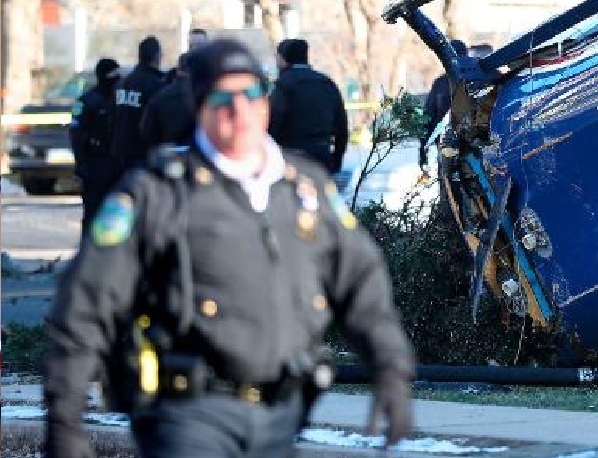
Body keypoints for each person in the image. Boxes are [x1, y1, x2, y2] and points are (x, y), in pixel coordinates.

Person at [43, 38, 414, 458]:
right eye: (223, 98)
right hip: (188, 415)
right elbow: (85, 304)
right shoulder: (159, 193)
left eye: (251, 94)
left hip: (282, 414)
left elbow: (361, 281)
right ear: (199, 106)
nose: (240, 111)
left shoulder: (302, 188)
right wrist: (64, 422)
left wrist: (390, 369)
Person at [268, 39, 349, 174]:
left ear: (283, 59)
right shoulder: (326, 83)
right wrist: (336, 159)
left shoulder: (283, 85)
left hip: (291, 157)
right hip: (322, 155)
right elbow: (341, 126)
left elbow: (274, 121)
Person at [69, 58, 122, 229]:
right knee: (92, 212)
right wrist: (81, 164)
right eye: (113, 74)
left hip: (115, 163)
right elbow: (77, 135)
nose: (116, 78)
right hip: (94, 164)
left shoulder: (119, 100)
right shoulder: (87, 101)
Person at [111, 36, 167, 170]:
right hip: (143, 153)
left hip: (120, 152)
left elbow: (112, 118)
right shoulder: (156, 84)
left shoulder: (122, 83)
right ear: (157, 56)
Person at [419, 40, 466, 170]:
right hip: (446, 152)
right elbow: (428, 117)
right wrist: (423, 149)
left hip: (473, 151)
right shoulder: (440, 84)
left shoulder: (477, 80)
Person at [141, 53, 195, 148]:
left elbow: (147, 130)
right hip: (195, 155)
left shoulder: (160, 96)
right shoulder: (204, 97)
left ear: (178, 69)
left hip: (167, 152)